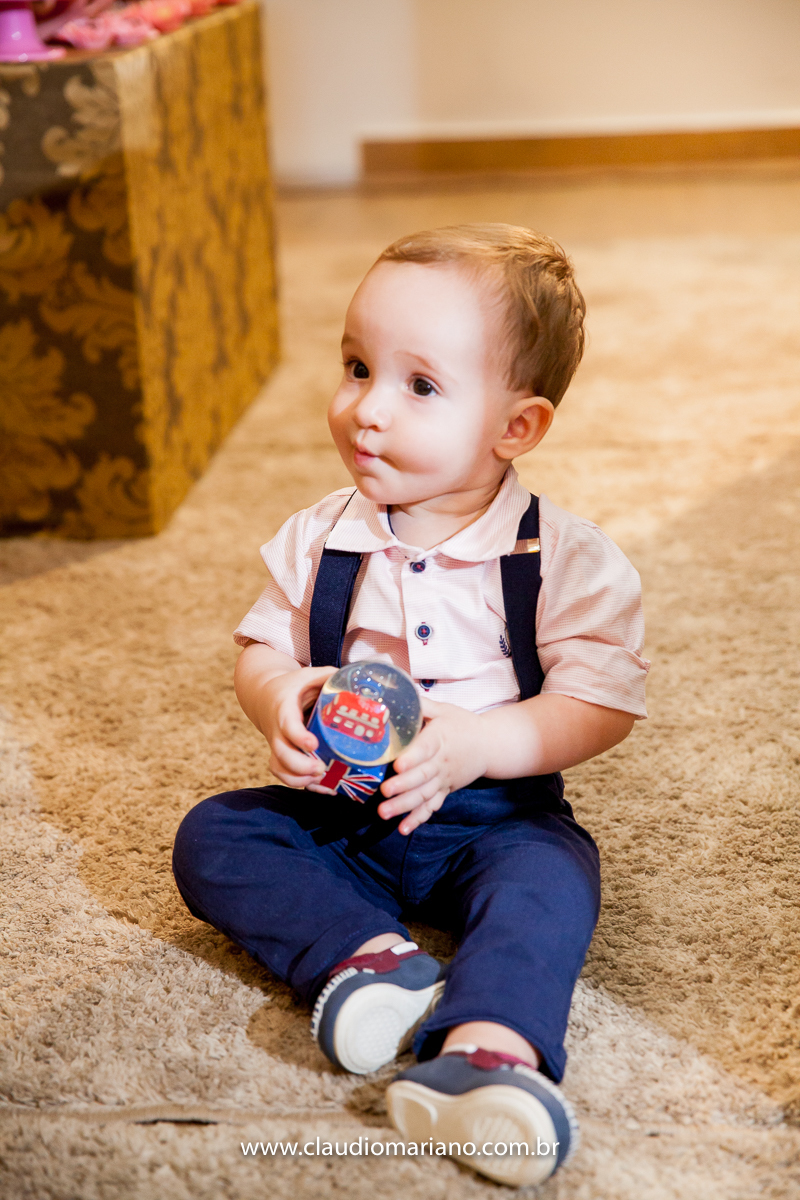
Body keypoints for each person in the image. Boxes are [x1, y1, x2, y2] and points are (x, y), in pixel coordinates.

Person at [173, 224, 649, 1187]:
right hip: (345, 807)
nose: (367, 409)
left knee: (552, 885)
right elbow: (262, 648)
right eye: (357, 367)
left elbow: (600, 703)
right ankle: (370, 959)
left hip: (494, 817)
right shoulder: (321, 537)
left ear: (515, 428)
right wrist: (282, 698)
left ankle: (488, 1051)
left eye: (420, 385)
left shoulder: (560, 558)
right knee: (214, 836)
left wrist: (485, 742)